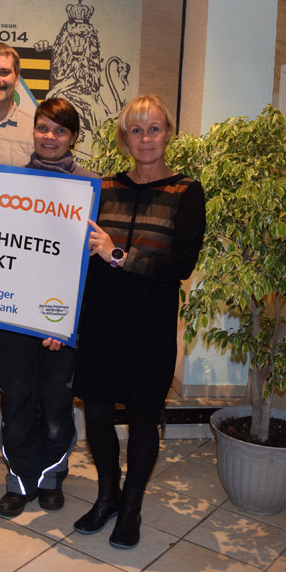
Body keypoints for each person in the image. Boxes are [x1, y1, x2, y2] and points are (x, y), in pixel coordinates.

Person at [74, 94, 206, 549]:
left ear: (168, 134)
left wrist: (118, 255)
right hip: (102, 320)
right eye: (136, 129)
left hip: (150, 323)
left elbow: (180, 265)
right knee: (96, 412)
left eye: (154, 129)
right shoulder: (103, 188)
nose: (145, 138)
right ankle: (107, 496)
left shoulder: (187, 192)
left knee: (144, 416)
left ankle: (131, 507)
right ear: (124, 138)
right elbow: (80, 258)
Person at [0, 98, 99, 519]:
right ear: (33, 130)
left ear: (73, 137)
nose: (49, 137)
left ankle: (52, 476)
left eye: (60, 130)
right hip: (13, 318)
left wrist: (65, 321)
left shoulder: (91, 188)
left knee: (56, 403)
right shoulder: (9, 184)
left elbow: (91, 265)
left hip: (62, 321)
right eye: (43, 127)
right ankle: (19, 481)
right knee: (16, 399)